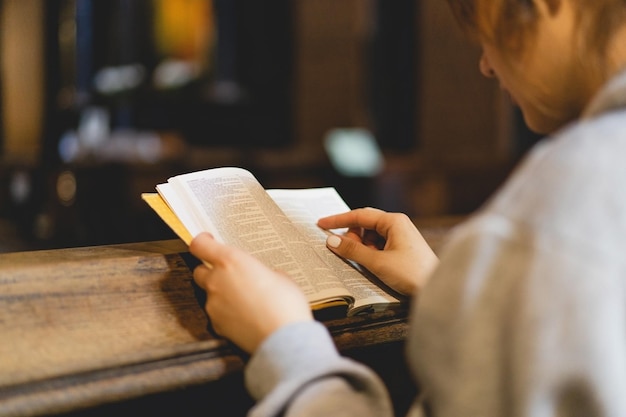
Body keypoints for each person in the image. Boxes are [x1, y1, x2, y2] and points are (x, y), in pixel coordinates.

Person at [189, 0, 626, 415]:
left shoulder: (548, 221)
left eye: (488, 27)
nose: (487, 64)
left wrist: (285, 345)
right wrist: (443, 287)